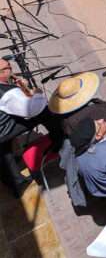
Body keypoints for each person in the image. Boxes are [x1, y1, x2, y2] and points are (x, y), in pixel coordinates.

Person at [0, 59, 61, 197]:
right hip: (3, 131)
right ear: (2, 72)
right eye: (8, 67)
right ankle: (60, 139)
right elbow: (31, 110)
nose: (11, 68)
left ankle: (15, 181)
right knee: (44, 111)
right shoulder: (8, 93)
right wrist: (37, 94)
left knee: (4, 151)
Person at [69, 116, 106, 199]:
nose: (102, 119)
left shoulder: (78, 156)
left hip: (99, 191)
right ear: (99, 135)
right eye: (99, 124)